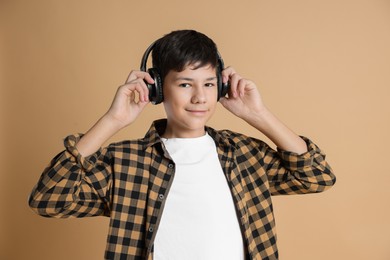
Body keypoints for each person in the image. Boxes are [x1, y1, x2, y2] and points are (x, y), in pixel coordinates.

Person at [28, 29, 336, 260]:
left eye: (209, 84)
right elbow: (49, 199)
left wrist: (259, 114)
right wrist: (113, 120)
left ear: (221, 86)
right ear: (158, 88)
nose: (200, 98)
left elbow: (316, 176)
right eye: (186, 84)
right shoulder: (125, 161)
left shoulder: (245, 154)